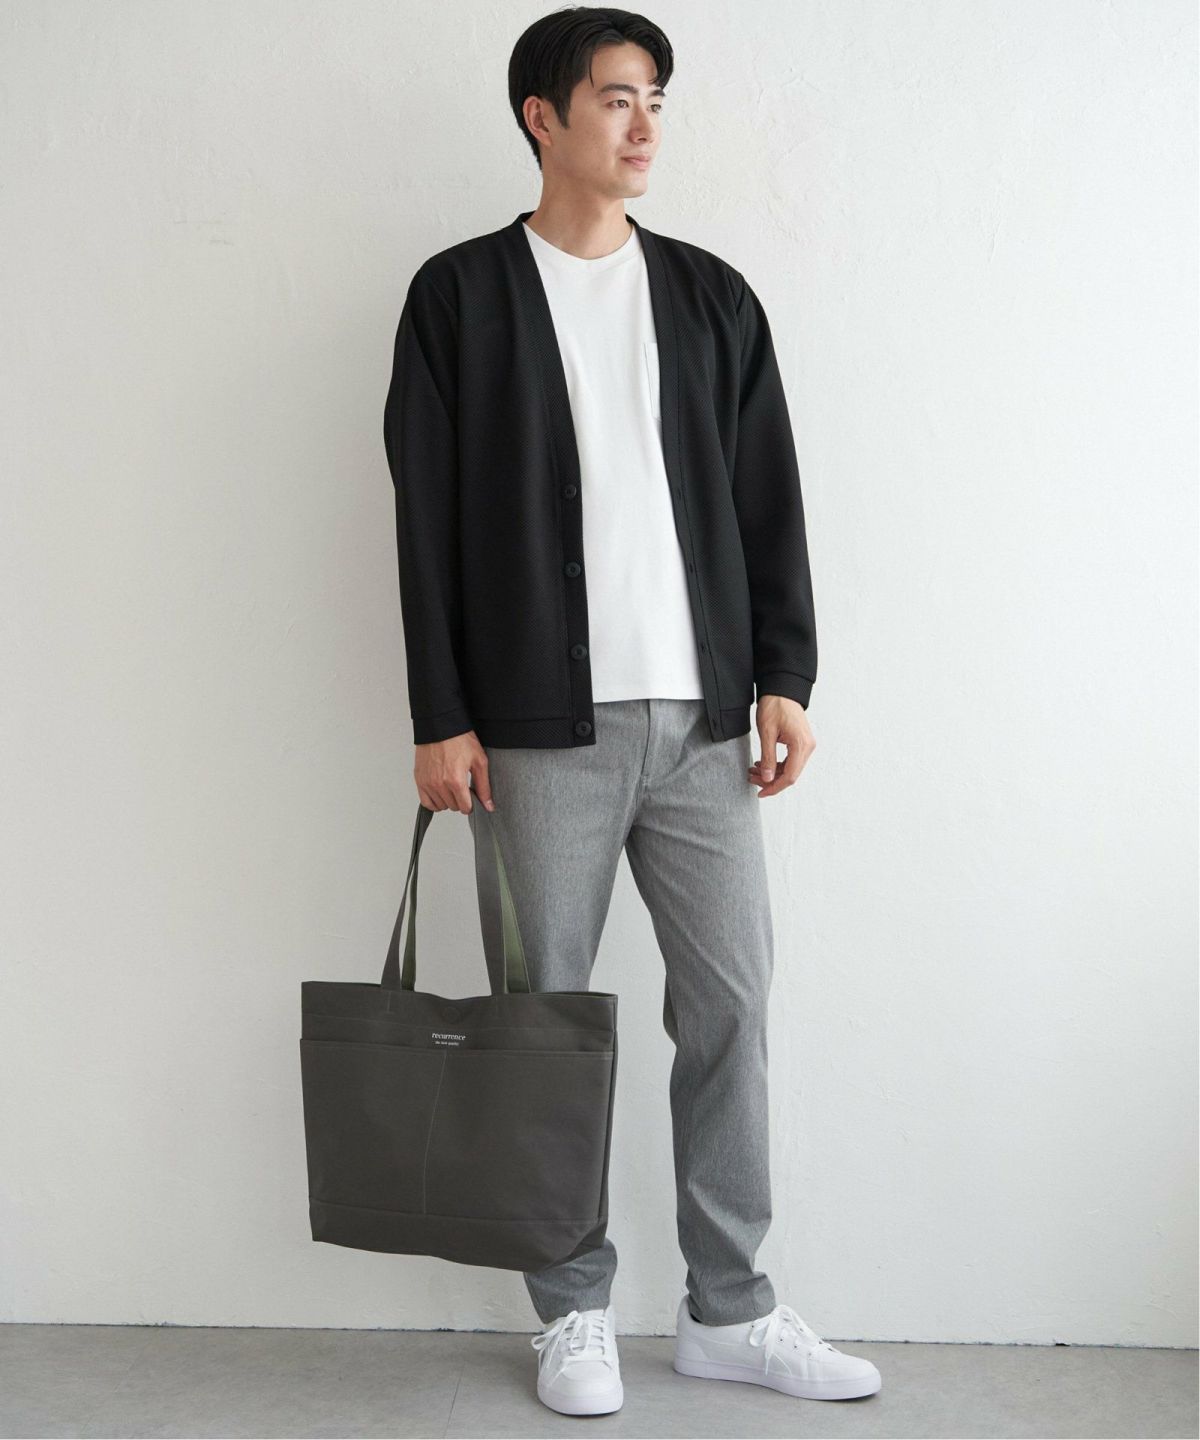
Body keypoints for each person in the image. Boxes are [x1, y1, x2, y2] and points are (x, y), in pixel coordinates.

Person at [383, 4, 881, 1417]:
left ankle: (732, 1309)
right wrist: (441, 713)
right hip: (537, 730)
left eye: (656, 95)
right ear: (542, 117)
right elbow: (424, 521)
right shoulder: (459, 297)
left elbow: (770, 498)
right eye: (616, 97)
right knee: (545, 1023)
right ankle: (573, 1308)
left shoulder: (712, 298)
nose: (646, 122)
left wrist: (785, 674)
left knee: (732, 1008)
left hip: (707, 725)